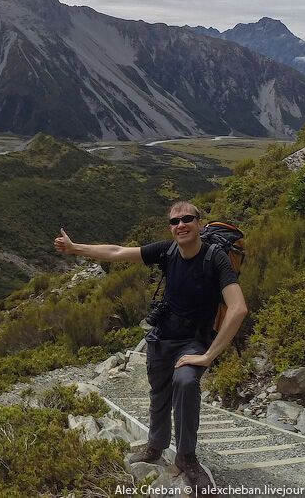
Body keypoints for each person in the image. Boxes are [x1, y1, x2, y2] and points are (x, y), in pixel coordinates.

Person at [53, 201, 248, 492]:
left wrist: (208, 355)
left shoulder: (215, 259)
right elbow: (118, 252)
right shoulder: (167, 251)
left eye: (187, 219)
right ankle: (155, 446)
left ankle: (186, 458)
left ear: (198, 222)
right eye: (174, 221)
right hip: (161, 338)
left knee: (185, 383)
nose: (180, 225)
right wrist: (75, 248)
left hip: (194, 342)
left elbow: (238, 308)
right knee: (158, 393)